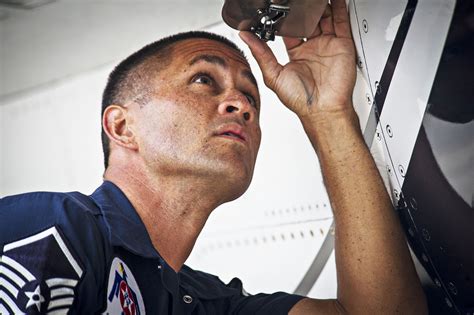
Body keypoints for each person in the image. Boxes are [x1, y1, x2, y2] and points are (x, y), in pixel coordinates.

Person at [0, 0, 427, 314]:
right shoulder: (52, 227)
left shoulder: (202, 304)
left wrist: (328, 115)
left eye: (251, 98)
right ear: (122, 127)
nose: (240, 105)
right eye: (204, 79)